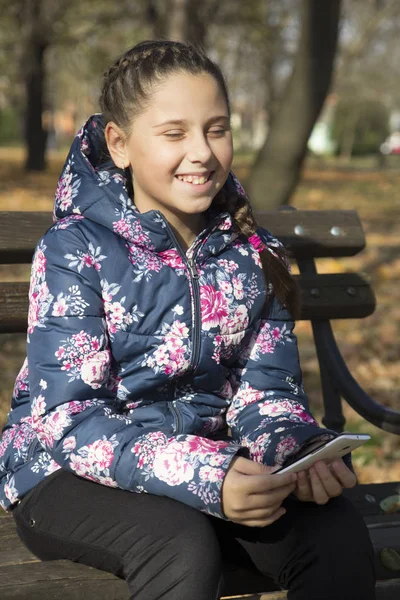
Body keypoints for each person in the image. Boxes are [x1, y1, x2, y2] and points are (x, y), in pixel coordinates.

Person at [0, 40, 375, 600]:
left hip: (207, 465)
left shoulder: (253, 252)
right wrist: (209, 477)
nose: (201, 151)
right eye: (174, 134)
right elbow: (70, 417)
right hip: (63, 473)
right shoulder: (76, 249)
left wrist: (294, 452)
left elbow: (266, 392)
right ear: (120, 145)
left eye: (216, 129)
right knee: (181, 542)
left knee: (335, 530)